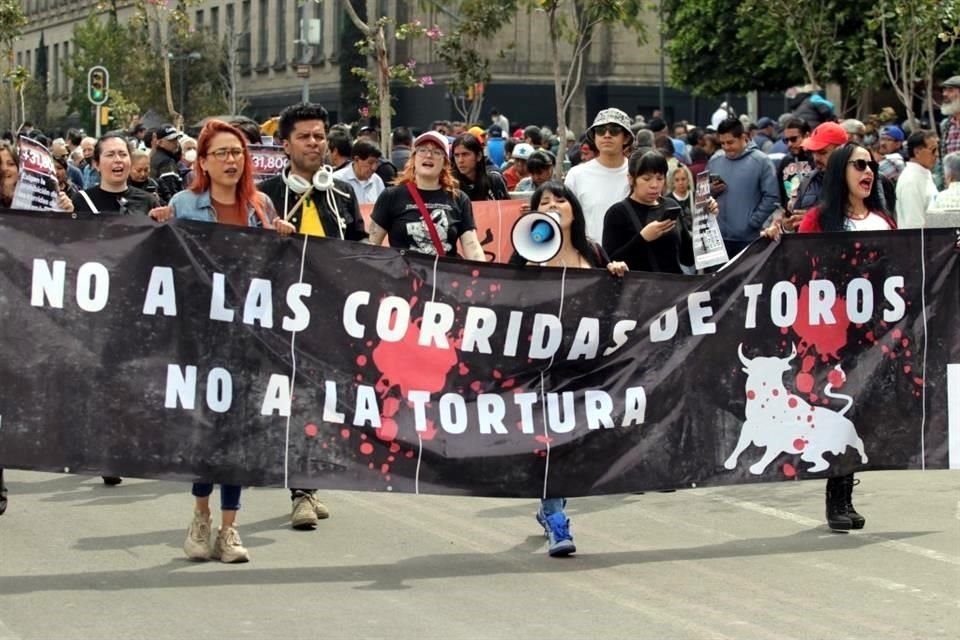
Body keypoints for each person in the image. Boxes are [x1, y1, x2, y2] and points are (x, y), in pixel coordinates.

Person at [149, 119, 295, 563]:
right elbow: (166, 267)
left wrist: (282, 239)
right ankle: (200, 516)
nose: (232, 161)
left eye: (238, 153)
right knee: (206, 431)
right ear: (204, 163)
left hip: (248, 337)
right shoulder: (185, 204)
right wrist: (159, 227)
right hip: (200, 336)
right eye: (222, 154)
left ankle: (230, 528)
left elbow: (274, 273)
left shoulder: (261, 207)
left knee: (238, 432)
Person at [763, 143, 895, 532]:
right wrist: (775, 243)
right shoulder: (819, 220)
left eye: (871, 165)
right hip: (832, 337)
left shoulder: (883, 223)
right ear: (841, 172)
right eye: (859, 165)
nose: (868, 171)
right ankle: (837, 499)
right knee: (840, 409)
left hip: (875, 336)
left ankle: (845, 493)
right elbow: (798, 268)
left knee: (860, 413)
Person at [508, 181, 628, 557]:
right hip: (542, 363)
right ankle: (554, 515)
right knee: (550, 439)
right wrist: (526, 271)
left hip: (585, 362)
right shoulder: (527, 251)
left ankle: (553, 505)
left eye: (561, 199)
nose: (555, 205)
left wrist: (616, 271)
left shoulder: (591, 251)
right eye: (545, 202)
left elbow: (614, 303)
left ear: (573, 209)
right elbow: (504, 302)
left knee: (574, 440)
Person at [366, 131, 485, 261]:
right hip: (403, 278)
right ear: (413, 158)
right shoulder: (391, 196)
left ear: (445, 163)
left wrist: (483, 276)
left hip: (443, 278)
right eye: (422, 150)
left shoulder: (459, 199)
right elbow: (372, 246)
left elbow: (472, 246)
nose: (428, 155)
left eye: (436, 152)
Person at [602, 150, 685, 273]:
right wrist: (642, 238)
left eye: (660, 178)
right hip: (637, 289)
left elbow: (688, 257)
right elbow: (610, 262)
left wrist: (705, 216)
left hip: (675, 288)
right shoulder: (617, 213)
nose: (654, 185)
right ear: (631, 179)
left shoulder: (670, 205)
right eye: (647, 179)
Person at [708, 118, 779, 257]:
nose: (726, 147)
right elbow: (703, 194)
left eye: (730, 142)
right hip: (718, 239)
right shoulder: (715, 161)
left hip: (749, 240)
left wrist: (753, 223)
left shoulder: (761, 161)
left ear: (743, 138)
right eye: (722, 143)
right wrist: (711, 190)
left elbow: (772, 197)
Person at [564, 108, 634, 242]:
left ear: (626, 138)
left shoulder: (638, 173)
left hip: (630, 257)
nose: (607, 135)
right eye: (601, 130)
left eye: (614, 130)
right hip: (589, 257)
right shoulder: (577, 174)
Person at [71, 133, 158, 216]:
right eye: (110, 155)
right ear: (97, 164)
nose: (118, 160)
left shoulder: (148, 202)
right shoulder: (82, 201)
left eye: (123, 154)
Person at [896, 130, 939, 228]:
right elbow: (914, 225)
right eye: (933, 150)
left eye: (937, 150)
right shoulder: (910, 180)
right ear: (917, 152)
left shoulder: (923, 173)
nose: (936, 154)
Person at [451, 133, 508, 201]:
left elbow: (506, 208)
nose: (460, 160)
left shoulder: (493, 180)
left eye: (465, 154)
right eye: (456, 155)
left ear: (479, 156)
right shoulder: (449, 183)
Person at [333, 139, 385, 204]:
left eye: (377, 163)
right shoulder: (337, 180)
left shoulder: (377, 181)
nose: (374, 168)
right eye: (370, 162)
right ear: (356, 159)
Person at [150, 124, 185, 204]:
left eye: (176, 139)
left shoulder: (155, 157)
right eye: (171, 140)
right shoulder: (167, 162)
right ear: (160, 142)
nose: (176, 143)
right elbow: (172, 192)